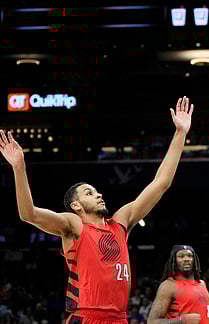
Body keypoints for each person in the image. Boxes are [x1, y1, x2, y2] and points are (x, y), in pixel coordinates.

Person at [0, 96, 194, 324]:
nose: (99, 194)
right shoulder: (74, 225)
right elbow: (28, 214)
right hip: (86, 316)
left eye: (97, 191)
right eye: (89, 193)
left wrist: (180, 133)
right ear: (76, 205)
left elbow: (161, 183)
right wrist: (19, 167)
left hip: (120, 318)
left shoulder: (121, 222)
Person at [147, 245, 209, 324]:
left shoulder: (202, 284)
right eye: (181, 256)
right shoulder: (168, 286)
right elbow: (151, 322)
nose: (186, 259)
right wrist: (182, 320)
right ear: (174, 261)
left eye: (190, 256)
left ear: (194, 260)